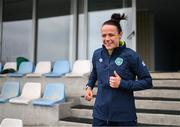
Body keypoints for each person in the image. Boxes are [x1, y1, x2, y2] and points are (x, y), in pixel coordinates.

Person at [84, 13, 153, 126]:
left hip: (124, 118)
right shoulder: (97, 54)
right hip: (99, 116)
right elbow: (94, 73)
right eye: (104, 35)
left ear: (120, 35)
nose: (107, 39)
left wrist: (122, 83)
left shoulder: (131, 56)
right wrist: (89, 87)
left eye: (111, 35)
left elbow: (147, 82)